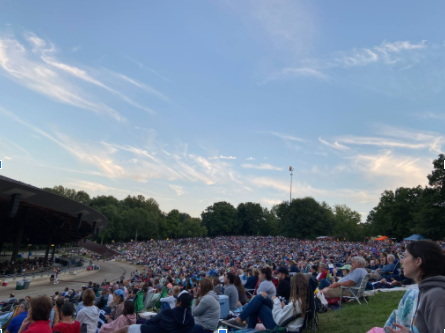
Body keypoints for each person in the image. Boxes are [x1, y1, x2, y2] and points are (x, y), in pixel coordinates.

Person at [384, 240, 445, 333]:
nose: (401, 261)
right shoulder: (426, 291)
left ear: (418, 261)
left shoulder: (436, 295)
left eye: (405, 256)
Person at [114, 292, 195, 333]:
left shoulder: (168, 312)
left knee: (125, 329)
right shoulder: (191, 320)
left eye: (177, 301)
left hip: (154, 330)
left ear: (179, 303)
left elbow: (150, 321)